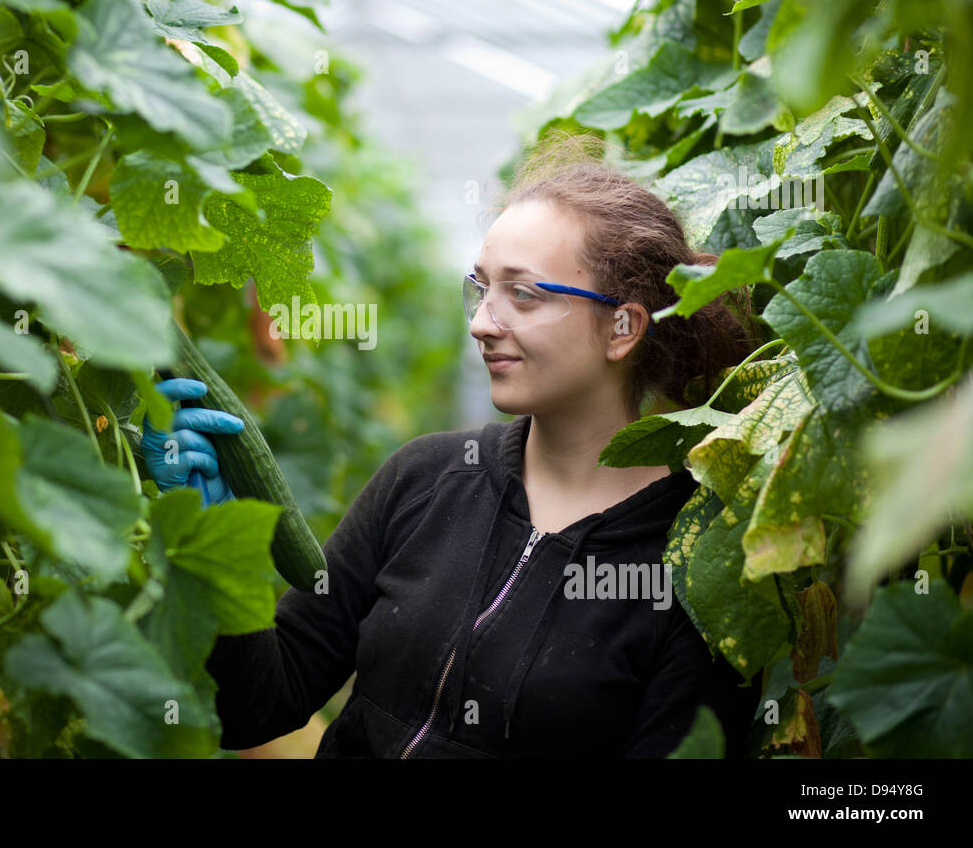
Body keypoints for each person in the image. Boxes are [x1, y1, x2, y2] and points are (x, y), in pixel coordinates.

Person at [142, 132, 763, 758]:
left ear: (622, 327)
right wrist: (217, 549)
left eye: (522, 293)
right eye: (482, 287)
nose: (481, 322)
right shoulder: (424, 477)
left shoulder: (695, 562)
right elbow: (256, 706)